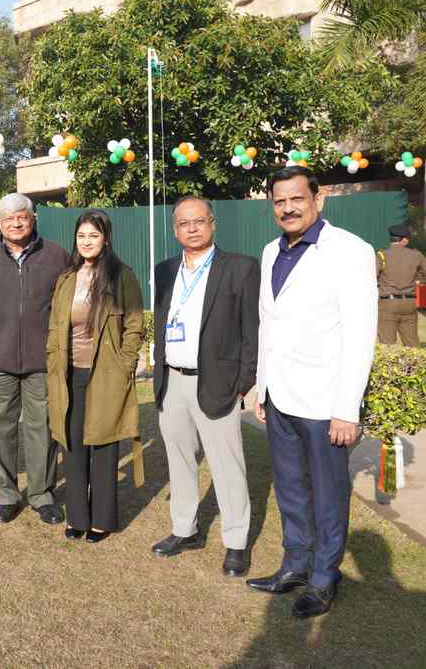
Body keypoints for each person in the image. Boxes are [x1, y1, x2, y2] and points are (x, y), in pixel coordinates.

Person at [247, 166, 377, 619]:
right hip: (280, 397)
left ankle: (324, 578)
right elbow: (268, 324)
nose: (288, 208)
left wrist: (347, 409)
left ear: (318, 199)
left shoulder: (350, 251)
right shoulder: (270, 251)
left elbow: (360, 334)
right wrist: (262, 386)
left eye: (297, 198)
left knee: (327, 494)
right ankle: (294, 566)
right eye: (279, 201)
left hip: (325, 402)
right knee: (290, 489)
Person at [151, 196, 259, 576]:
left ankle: (236, 541)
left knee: (227, 465)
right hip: (172, 381)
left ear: (212, 223)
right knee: (180, 461)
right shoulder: (165, 270)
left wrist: (244, 382)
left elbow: (252, 330)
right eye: (184, 223)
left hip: (216, 382)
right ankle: (185, 529)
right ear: (175, 229)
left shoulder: (241, 268)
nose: (192, 228)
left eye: (199, 221)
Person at [0, 193, 72, 525]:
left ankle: (42, 494)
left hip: (43, 362)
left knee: (43, 430)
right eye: (8, 218)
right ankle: (6, 496)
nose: (15, 223)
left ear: (32, 218)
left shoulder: (56, 255)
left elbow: (67, 305)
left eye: (22, 216)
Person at [46, 210, 144, 543]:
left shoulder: (122, 276)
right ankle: (77, 517)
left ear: (106, 238)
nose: (87, 242)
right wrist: (52, 362)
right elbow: (55, 327)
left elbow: (135, 325)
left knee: (103, 444)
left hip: (107, 375)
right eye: (81, 235)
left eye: (94, 235)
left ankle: (101, 520)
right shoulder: (66, 278)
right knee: (72, 445)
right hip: (69, 374)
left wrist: (125, 364)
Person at [376, 224, 426, 347]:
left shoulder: (382, 255)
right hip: (409, 303)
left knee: (387, 345)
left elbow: (371, 276)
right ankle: (415, 361)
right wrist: (418, 281)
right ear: (404, 239)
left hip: (388, 303)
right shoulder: (416, 255)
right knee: (412, 344)